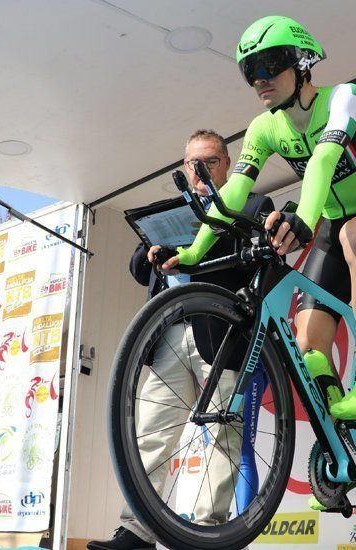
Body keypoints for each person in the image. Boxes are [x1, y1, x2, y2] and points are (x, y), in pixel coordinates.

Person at [167, 16, 356, 424]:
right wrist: (194, 251)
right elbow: (233, 191)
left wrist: (301, 215)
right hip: (334, 229)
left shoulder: (342, 98)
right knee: (309, 348)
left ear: (302, 64)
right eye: (250, 70)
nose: (259, 79)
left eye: (270, 64)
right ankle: (343, 451)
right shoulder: (264, 127)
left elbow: (322, 160)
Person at [89, 130, 273, 550]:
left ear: (227, 164)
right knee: (150, 433)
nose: (200, 169)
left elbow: (256, 255)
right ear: (184, 168)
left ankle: (210, 531)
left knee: (224, 438)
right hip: (169, 332)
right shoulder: (170, 210)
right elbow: (138, 266)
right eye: (192, 163)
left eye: (209, 160)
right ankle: (137, 530)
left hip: (223, 337)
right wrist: (154, 252)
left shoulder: (253, 204)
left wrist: (196, 238)